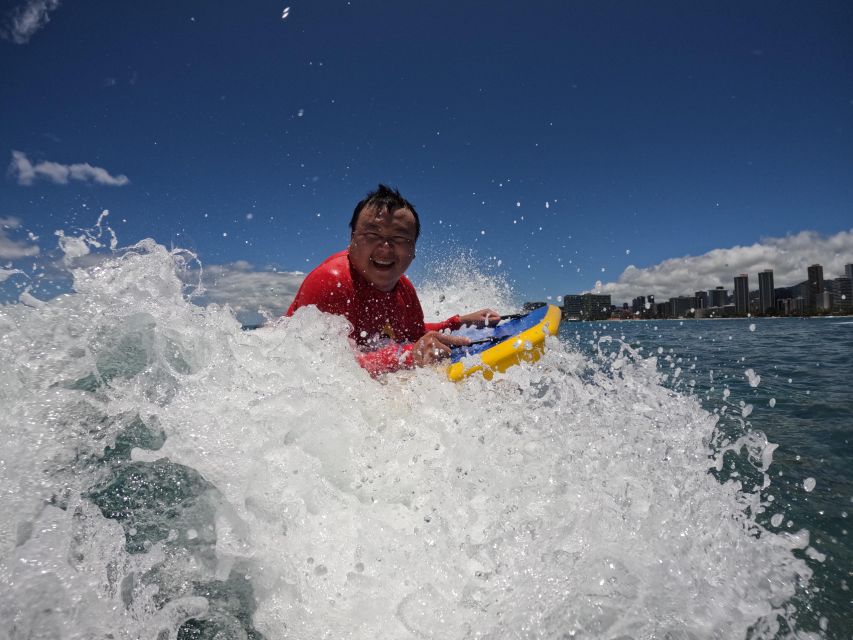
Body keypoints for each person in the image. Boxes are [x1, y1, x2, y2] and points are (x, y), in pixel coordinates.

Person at [286, 184, 499, 375]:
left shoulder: (404, 290)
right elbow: (320, 369)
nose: (385, 248)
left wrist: (457, 323)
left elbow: (412, 335)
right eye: (372, 235)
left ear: (414, 249)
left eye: (399, 238)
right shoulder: (331, 281)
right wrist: (407, 355)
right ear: (352, 239)